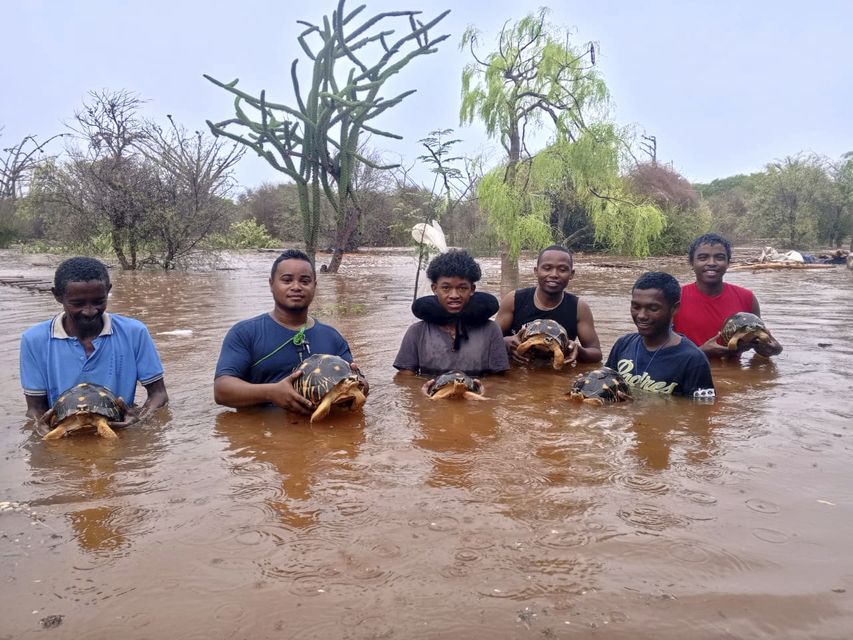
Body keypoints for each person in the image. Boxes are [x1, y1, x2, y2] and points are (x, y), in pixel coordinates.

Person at [19, 256, 168, 430]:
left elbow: (159, 394)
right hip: (65, 428)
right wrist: (40, 428)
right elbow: (35, 409)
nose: (89, 311)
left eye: (98, 301)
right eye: (78, 303)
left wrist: (141, 419)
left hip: (117, 426)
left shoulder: (134, 332)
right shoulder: (34, 340)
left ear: (108, 291)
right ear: (58, 295)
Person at [214, 249, 357, 414]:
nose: (296, 287)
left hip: (322, 433)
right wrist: (271, 393)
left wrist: (360, 383)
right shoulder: (245, 333)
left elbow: (357, 384)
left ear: (314, 286)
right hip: (263, 436)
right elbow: (221, 390)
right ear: (271, 284)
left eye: (305, 281)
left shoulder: (332, 337)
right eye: (287, 280)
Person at [394, 249, 508, 384]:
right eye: (446, 288)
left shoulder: (491, 330)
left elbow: (500, 383)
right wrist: (423, 395)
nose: (454, 295)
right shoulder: (417, 332)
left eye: (462, 288)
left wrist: (481, 391)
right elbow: (405, 382)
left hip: (474, 399)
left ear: (472, 289)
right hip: (433, 400)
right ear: (434, 289)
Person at [606, 271, 715, 399]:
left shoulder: (693, 360)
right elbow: (606, 386)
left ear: (674, 308)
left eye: (652, 309)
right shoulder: (623, 345)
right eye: (636, 307)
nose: (641, 315)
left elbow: (700, 412)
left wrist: (639, 406)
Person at [673, 233, 782, 358]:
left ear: (728, 263)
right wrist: (701, 352)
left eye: (719, 258)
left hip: (734, 374)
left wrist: (774, 349)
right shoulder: (674, 298)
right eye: (703, 258)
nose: (712, 263)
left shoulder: (747, 298)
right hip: (687, 374)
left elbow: (760, 346)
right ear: (692, 263)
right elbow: (658, 352)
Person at [495, 245, 602, 365]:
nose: (554, 274)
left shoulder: (579, 308)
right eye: (547, 268)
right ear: (536, 271)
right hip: (516, 372)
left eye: (562, 270)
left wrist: (579, 350)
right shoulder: (514, 299)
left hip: (556, 373)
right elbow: (488, 339)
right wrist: (504, 342)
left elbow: (596, 354)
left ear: (571, 274)